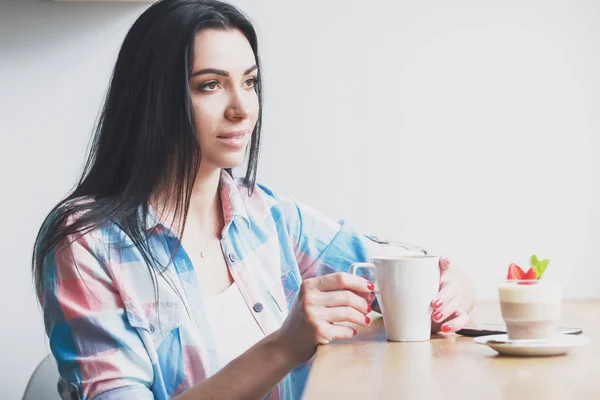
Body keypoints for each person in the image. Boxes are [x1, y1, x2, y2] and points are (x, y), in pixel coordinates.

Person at [32, 1, 476, 399]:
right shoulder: (85, 243)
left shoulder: (266, 214)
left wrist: (451, 284)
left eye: (250, 82)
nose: (242, 108)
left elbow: (393, 269)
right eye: (210, 85)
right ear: (153, 97)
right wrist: (285, 345)